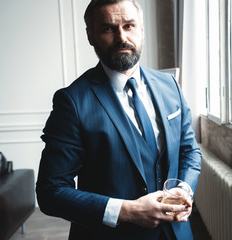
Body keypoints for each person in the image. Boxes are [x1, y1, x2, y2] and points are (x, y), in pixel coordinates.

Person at [36, 0, 201, 239]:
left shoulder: (170, 85)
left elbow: (190, 150)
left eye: (129, 25)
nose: (122, 37)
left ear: (141, 29)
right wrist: (126, 211)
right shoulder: (71, 102)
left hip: (178, 233)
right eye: (108, 28)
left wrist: (184, 189)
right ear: (90, 35)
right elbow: (50, 192)